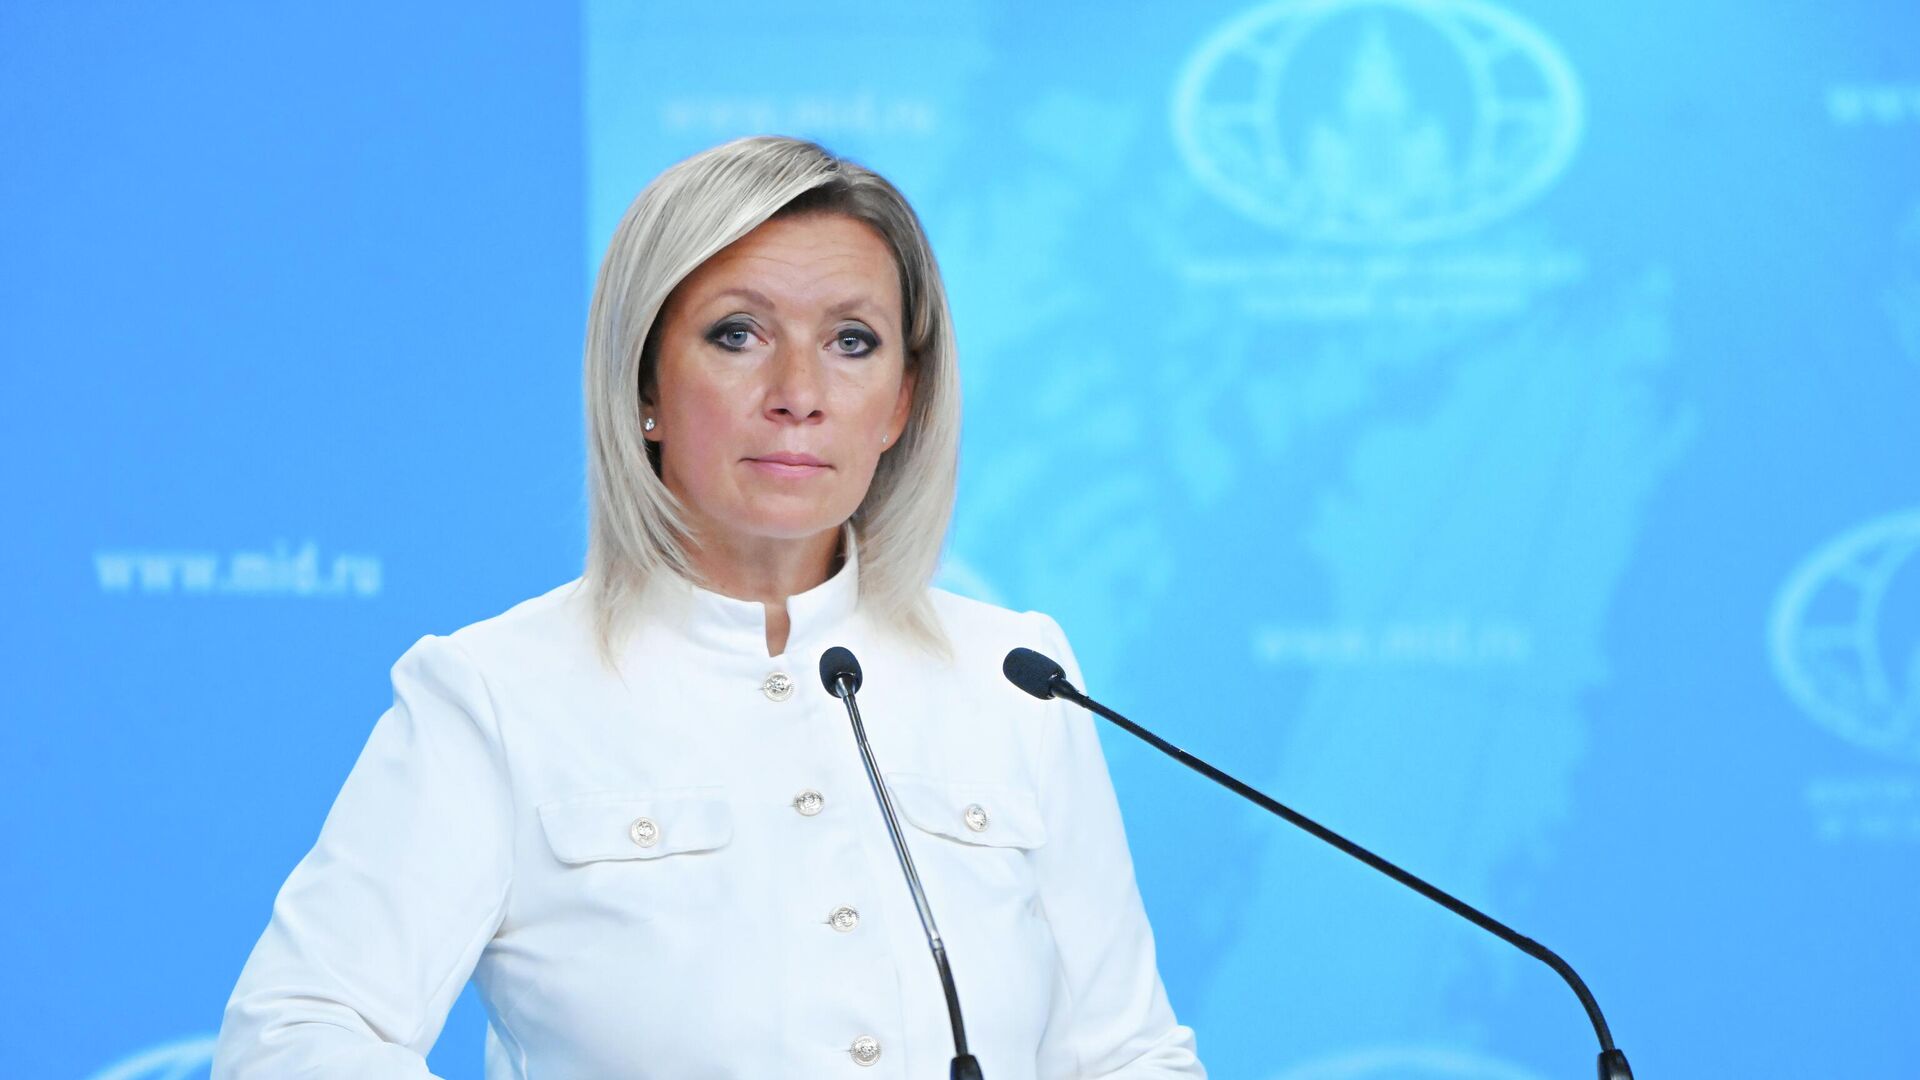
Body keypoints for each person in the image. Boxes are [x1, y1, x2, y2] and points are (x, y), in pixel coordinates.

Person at [213, 135, 1204, 1079]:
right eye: (738, 334)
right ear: (643, 382)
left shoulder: (1015, 678)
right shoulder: (495, 693)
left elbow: (1126, 1056)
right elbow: (290, 1041)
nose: (799, 393)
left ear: (902, 402)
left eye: (852, 341)